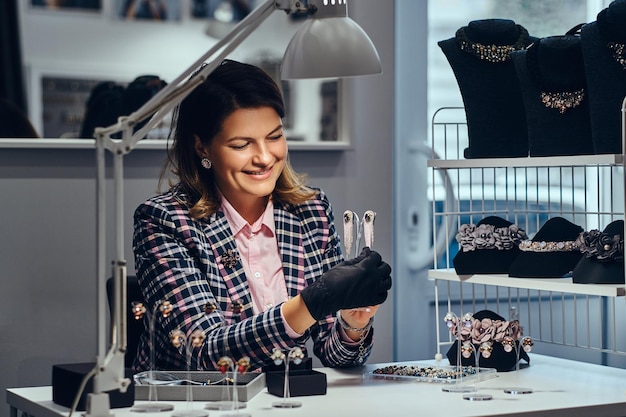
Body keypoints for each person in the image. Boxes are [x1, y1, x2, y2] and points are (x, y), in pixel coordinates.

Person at [132, 59, 392, 373]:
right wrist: (311, 302)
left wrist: (352, 324)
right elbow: (203, 353)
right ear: (202, 147)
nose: (265, 157)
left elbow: (336, 355)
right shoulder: (164, 222)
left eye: (274, 137)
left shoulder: (310, 212)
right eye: (242, 144)